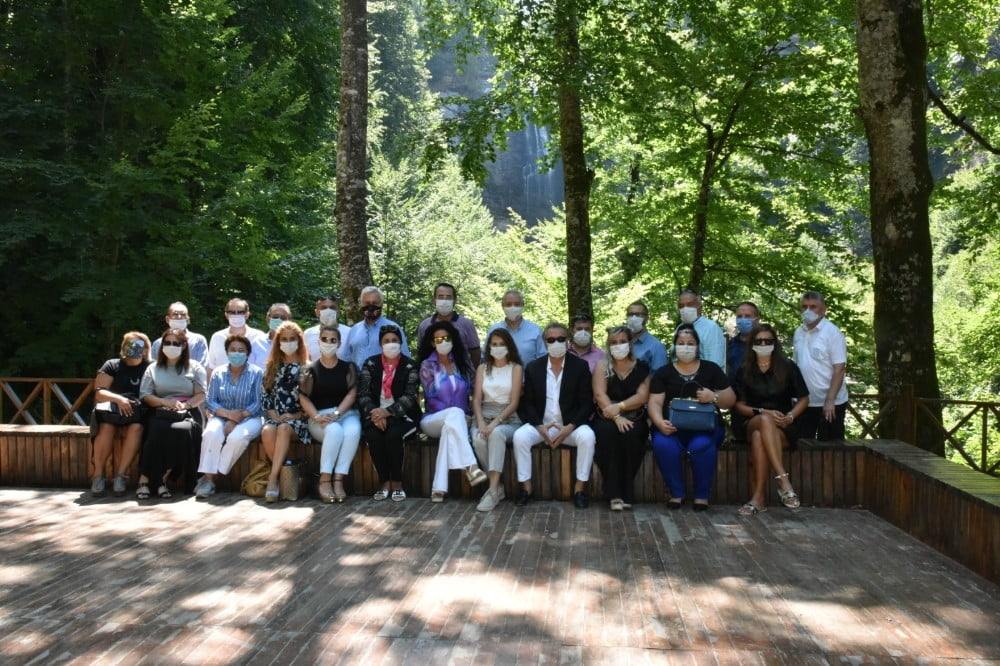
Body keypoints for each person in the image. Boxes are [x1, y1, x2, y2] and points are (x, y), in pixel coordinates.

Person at [648, 324, 736, 511]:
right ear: (674, 346)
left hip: (706, 429)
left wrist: (713, 397)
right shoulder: (663, 373)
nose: (685, 347)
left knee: (701, 446)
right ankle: (676, 494)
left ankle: (701, 496)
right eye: (681, 343)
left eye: (690, 343)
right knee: (663, 445)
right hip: (671, 428)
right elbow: (654, 403)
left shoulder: (711, 369)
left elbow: (730, 400)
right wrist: (659, 423)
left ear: (697, 346)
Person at [512, 322, 596, 508]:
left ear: (567, 340)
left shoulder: (579, 366)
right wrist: (539, 426)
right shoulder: (533, 367)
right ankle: (526, 487)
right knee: (520, 437)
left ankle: (580, 489)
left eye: (560, 339)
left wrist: (570, 427)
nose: (556, 342)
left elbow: (586, 403)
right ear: (544, 342)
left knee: (588, 437)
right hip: (542, 426)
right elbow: (527, 403)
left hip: (569, 426)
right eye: (551, 339)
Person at [732, 324, 809, 515]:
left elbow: (804, 398)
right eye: (759, 341)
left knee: (759, 437)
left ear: (775, 343)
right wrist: (763, 411)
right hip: (752, 420)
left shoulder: (787, 366)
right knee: (764, 421)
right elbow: (739, 406)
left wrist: (790, 416)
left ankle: (758, 499)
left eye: (768, 341)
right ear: (752, 344)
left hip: (783, 426)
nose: (763, 344)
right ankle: (783, 480)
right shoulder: (744, 369)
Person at [418, 320, 487, 502]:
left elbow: (475, 391)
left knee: (450, 430)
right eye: (438, 339)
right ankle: (470, 465)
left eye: (447, 338)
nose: (443, 342)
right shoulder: (427, 365)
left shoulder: (463, 363)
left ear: (453, 340)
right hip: (432, 420)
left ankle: (438, 489)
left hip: (457, 421)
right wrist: (461, 415)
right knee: (454, 415)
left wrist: (468, 415)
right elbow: (432, 399)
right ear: (432, 343)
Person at [138, 329, 207, 500]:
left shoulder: (195, 367)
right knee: (156, 430)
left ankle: (160, 478)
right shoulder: (153, 368)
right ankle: (146, 480)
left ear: (184, 346)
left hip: (187, 411)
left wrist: (185, 405)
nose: (171, 346)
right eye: (167, 343)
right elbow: (145, 395)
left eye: (176, 343)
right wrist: (164, 402)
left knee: (182, 431)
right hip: (159, 410)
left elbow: (201, 394)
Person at [195, 334, 264, 499]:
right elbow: (210, 401)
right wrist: (227, 415)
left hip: (250, 417)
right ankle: (209, 480)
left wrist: (235, 419)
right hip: (221, 415)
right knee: (211, 433)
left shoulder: (256, 373)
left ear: (248, 353)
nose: (237, 353)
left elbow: (258, 402)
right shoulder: (218, 372)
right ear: (227, 352)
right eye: (233, 350)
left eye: (241, 350)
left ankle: (213, 475)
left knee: (237, 437)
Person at [357, 325, 421, 501]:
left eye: (394, 340)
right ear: (380, 344)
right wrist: (375, 413)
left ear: (400, 343)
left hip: (403, 415)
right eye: (386, 341)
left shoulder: (410, 365)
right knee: (373, 435)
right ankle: (384, 482)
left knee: (393, 435)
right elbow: (363, 393)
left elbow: (410, 396)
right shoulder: (370, 363)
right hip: (374, 414)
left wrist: (388, 412)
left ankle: (397, 483)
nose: (390, 344)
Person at [299, 325, 361, 503]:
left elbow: (352, 394)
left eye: (333, 340)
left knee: (353, 430)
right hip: (319, 418)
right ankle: (325, 479)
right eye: (325, 339)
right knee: (334, 431)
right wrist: (317, 417)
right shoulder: (309, 369)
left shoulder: (348, 367)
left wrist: (337, 413)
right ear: (318, 342)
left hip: (344, 413)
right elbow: (303, 398)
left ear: (339, 343)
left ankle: (339, 479)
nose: (329, 343)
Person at [592, 326, 651, 511]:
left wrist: (620, 406)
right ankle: (614, 494)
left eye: (622, 341)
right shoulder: (602, 366)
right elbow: (600, 395)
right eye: (614, 342)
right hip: (606, 417)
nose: (618, 345)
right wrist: (616, 417)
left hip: (635, 416)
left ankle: (627, 492)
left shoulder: (641, 366)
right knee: (607, 435)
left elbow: (642, 396)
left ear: (630, 343)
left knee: (632, 435)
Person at [89, 332, 152, 497]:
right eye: (129, 345)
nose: (133, 348)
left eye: (138, 346)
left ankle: (120, 475)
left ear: (146, 350)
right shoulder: (112, 365)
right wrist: (120, 400)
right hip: (112, 411)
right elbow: (99, 392)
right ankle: (98, 475)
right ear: (123, 347)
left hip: (137, 414)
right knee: (106, 428)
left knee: (137, 428)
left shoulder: (151, 367)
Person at [471, 328, 523, 512]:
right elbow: (476, 399)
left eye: (502, 344)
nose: (498, 347)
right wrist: (481, 422)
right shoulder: (482, 368)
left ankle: (492, 491)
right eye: (494, 344)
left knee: (496, 434)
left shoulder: (516, 368)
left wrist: (495, 423)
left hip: (508, 417)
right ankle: (498, 486)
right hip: (483, 414)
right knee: (478, 439)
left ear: (509, 346)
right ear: (489, 347)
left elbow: (514, 402)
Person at [260, 321, 311, 502]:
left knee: (283, 429)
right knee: (267, 430)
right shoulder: (272, 367)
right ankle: (285, 475)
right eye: (284, 339)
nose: (288, 343)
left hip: (299, 420)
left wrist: (295, 416)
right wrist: (274, 415)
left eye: (292, 339)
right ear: (278, 342)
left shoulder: (307, 367)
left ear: (299, 341)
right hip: (276, 417)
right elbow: (265, 396)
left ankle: (273, 479)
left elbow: (312, 401)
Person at [792, 290, 848, 440]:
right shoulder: (799, 332)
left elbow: (839, 369)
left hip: (830, 403)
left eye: (813, 307)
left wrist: (830, 400)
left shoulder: (832, 333)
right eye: (804, 306)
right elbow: (795, 365)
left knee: (831, 447)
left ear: (823, 310)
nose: (808, 310)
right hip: (804, 402)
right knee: (801, 445)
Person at [341, 286, 410, 368]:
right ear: (361, 304)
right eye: (367, 303)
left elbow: (405, 358)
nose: (370, 307)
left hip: (385, 376)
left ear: (381, 304)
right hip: (357, 376)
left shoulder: (393, 328)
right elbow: (346, 359)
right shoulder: (354, 330)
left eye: (374, 303)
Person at [417, 282, 482, 366]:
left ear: (454, 301)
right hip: (432, 372)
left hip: (462, 372)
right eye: (440, 297)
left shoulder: (466, 324)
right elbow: (421, 352)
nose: (444, 301)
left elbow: (475, 352)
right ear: (434, 300)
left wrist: (472, 372)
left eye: (448, 297)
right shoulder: (425, 325)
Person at [727, 301, 761, 442]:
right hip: (737, 404)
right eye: (739, 316)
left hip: (762, 403)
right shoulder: (731, 345)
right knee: (740, 443)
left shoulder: (765, 342)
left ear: (757, 319)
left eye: (747, 316)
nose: (743, 319)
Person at [207, 297, 268, 371]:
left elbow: (265, 366)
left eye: (240, 312)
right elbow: (211, 367)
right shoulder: (217, 337)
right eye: (232, 312)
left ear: (247, 315)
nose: (236, 315)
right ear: (226, 315)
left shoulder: (259, 337)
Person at [485, 289, 545, 362]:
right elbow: (485, 357)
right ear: (502, 306)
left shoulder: (535, 330)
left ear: (522, 305)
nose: (512, 308)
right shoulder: (494, 330)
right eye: (508, 304)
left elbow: (543, 359)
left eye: (517, 304)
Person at [676, 289, 727, 371]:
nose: (685, 308)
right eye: (681, 306)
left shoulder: (711, 328)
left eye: (690, 304)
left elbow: (715, 363)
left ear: (699, 306)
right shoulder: (679, 328)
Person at [150, 302, 209, 367]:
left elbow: (202, 367)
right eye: (175, 314)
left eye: (183, 315)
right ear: (167, 319)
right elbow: (154, 367)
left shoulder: (198, 341)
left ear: (188, 319)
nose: (179, 317)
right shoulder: (158, 344)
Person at [304, 295, 351, 362]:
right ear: (317, 312)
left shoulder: (350, 333)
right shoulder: (308, 334)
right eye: (323, 308)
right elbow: (306, 361)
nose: (328, 311)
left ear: (338, 312)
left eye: (332, 308)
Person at [625, 301, 668, 372]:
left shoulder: (656, 346)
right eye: (631, 314)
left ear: (647, 318)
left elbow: (660, 376)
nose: (634, 318)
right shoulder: (620, 342)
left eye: (638, 315)